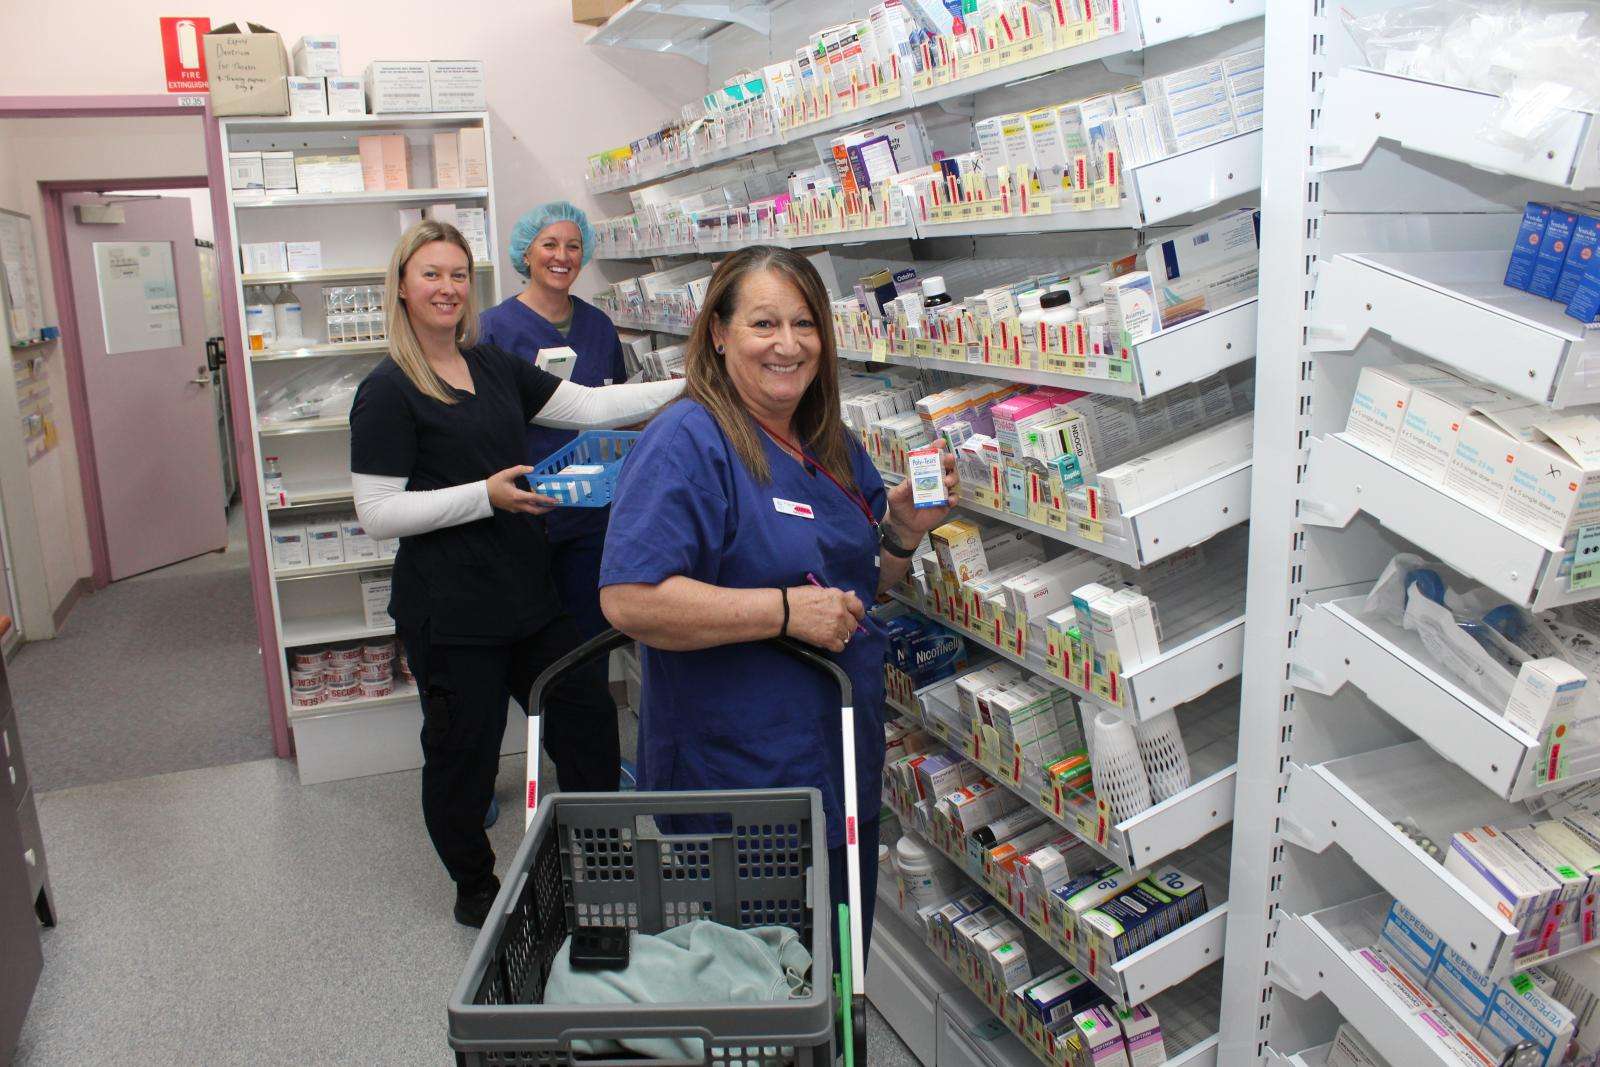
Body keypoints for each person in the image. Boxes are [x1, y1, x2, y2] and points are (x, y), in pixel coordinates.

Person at [597, 246, 958, 960]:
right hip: (738, 778)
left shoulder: (828, 440)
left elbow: (856, 586)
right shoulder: (687, 439)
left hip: (833, 757)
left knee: (832, 965)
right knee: (755, 983)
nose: (787, 344)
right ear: (719, 333)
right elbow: (630, 599)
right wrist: (785, 612)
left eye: (804, 323)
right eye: (764, 322)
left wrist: (904, 533)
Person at [348, 220, 682, 927]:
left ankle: (604, 850)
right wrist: (486, 496)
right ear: (403, 289)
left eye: (458, 274)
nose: (447, 287)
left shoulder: (493, 364)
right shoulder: (388, 389)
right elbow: (377, 512)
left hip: (528, 593)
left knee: (587, 719)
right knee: (462, 757)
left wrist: (696, 383)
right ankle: (475, 885)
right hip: (451, 609)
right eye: (431, 274)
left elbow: (590, 404)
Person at [479, 202, 625, 789]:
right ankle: (480, 776)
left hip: (589, 512)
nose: (561, 256)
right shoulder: (493, 328)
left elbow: (615, 404)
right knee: (516, 650)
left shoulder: (599, 326)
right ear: (525, 253)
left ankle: (585, 777)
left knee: (586, 646)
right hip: (523, 511)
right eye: (548, 245)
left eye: (571, 245)